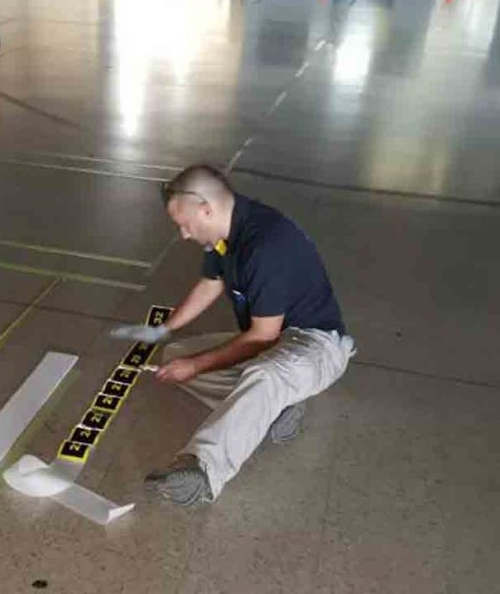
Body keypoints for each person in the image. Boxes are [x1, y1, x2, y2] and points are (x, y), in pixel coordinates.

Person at [110, 165, 355, 506]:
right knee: (175, 356)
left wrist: (196, 366)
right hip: (273, 341)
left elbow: (262, 338)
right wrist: (163, 329)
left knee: (263, 373)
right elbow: (211, 284)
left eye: (185, 224)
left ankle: (203, 471)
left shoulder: (267, 244)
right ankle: (274, 408)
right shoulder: (224, 235)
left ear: (206, 210)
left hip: (314, 345)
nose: (184, 234)